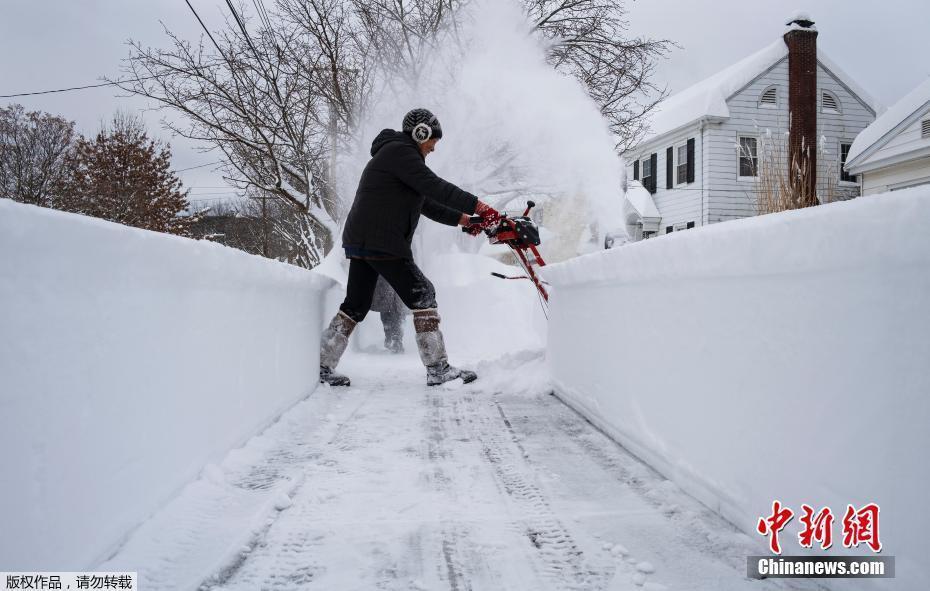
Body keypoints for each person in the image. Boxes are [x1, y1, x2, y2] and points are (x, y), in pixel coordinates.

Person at [319, 108, 499, 387]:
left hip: (363, 240)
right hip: (383, 240)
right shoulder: (401, 152)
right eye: (432, 142)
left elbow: (425, 202)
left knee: (356, 304)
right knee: (423, 294)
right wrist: (481, 207)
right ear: (420, 133)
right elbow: (435, 186)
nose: (433, 148)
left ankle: (321, 365)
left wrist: (464, 220)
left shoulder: (395, 156)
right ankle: (438, 368)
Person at [371, 275, 406, 353]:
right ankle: (391, 338)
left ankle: (396, 340)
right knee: (387, 311)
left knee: (397, 312)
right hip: (385, 283)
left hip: (396, 282)